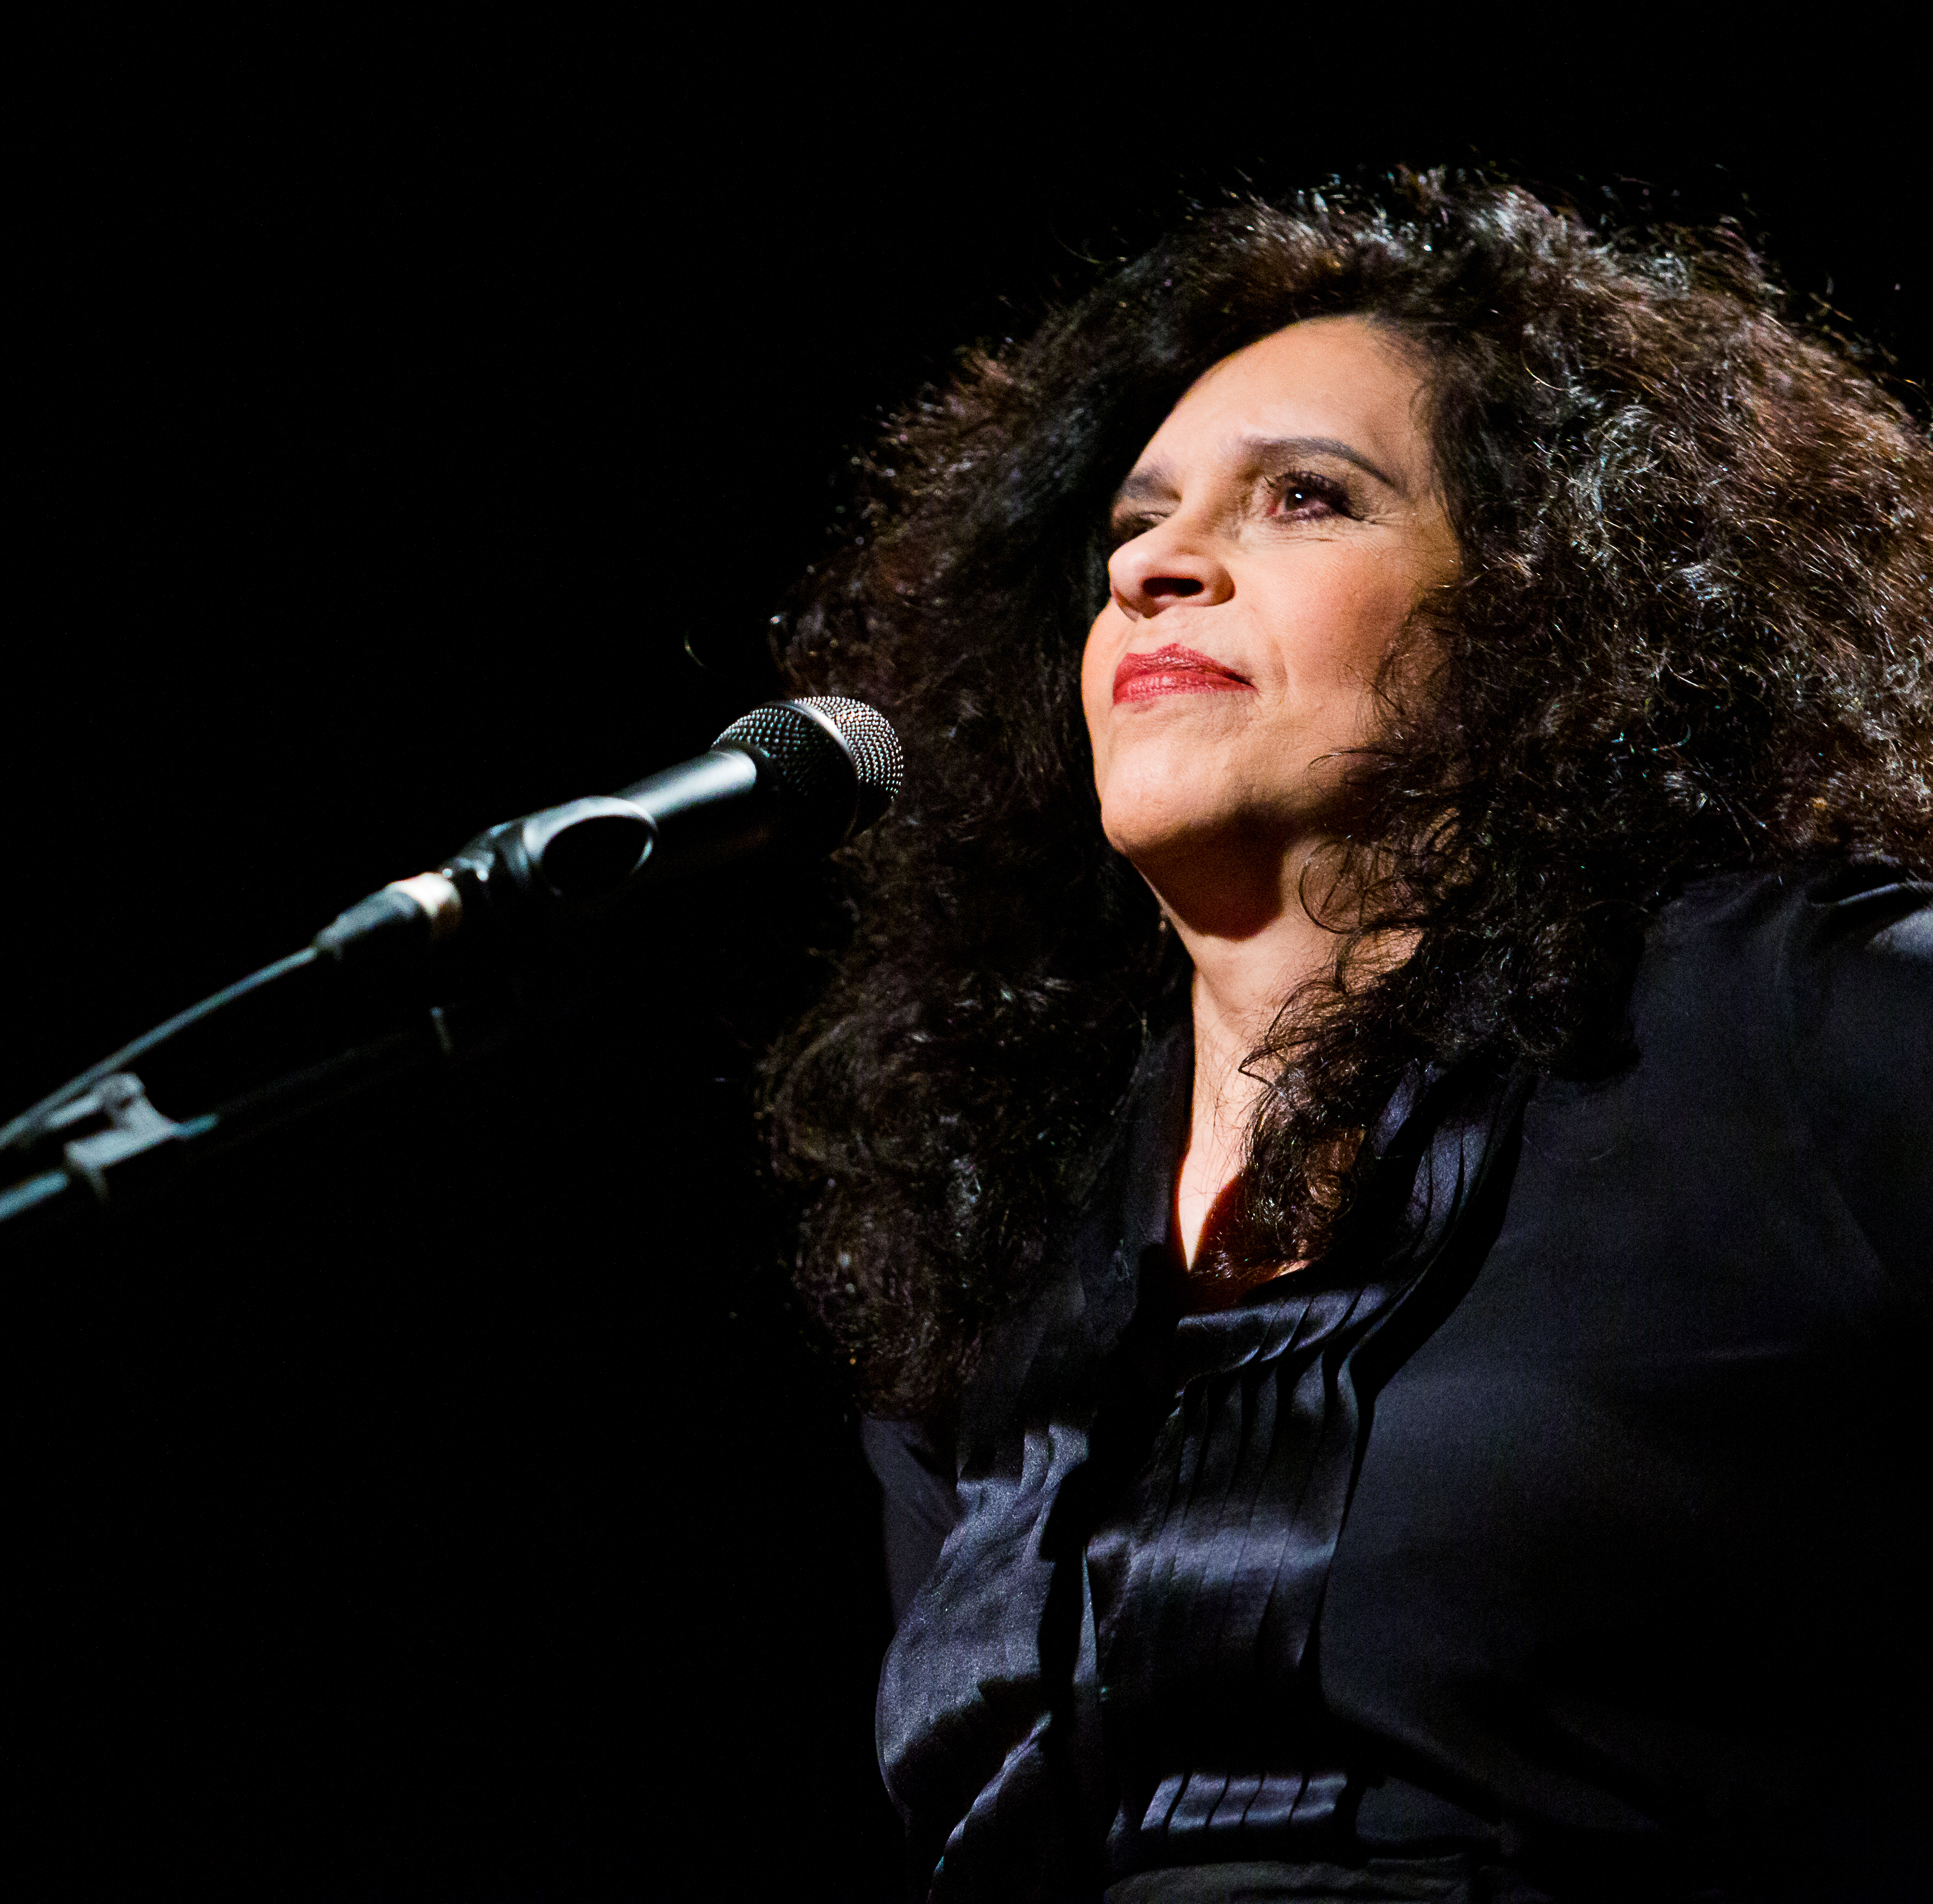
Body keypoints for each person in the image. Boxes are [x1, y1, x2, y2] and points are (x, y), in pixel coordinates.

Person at [760, 175, 1932, 1900]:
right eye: (1130, 537)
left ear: (1549, 611)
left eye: (1306, 498)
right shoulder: (1008, 1257)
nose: (1159, 565)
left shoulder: (1772, 1022)